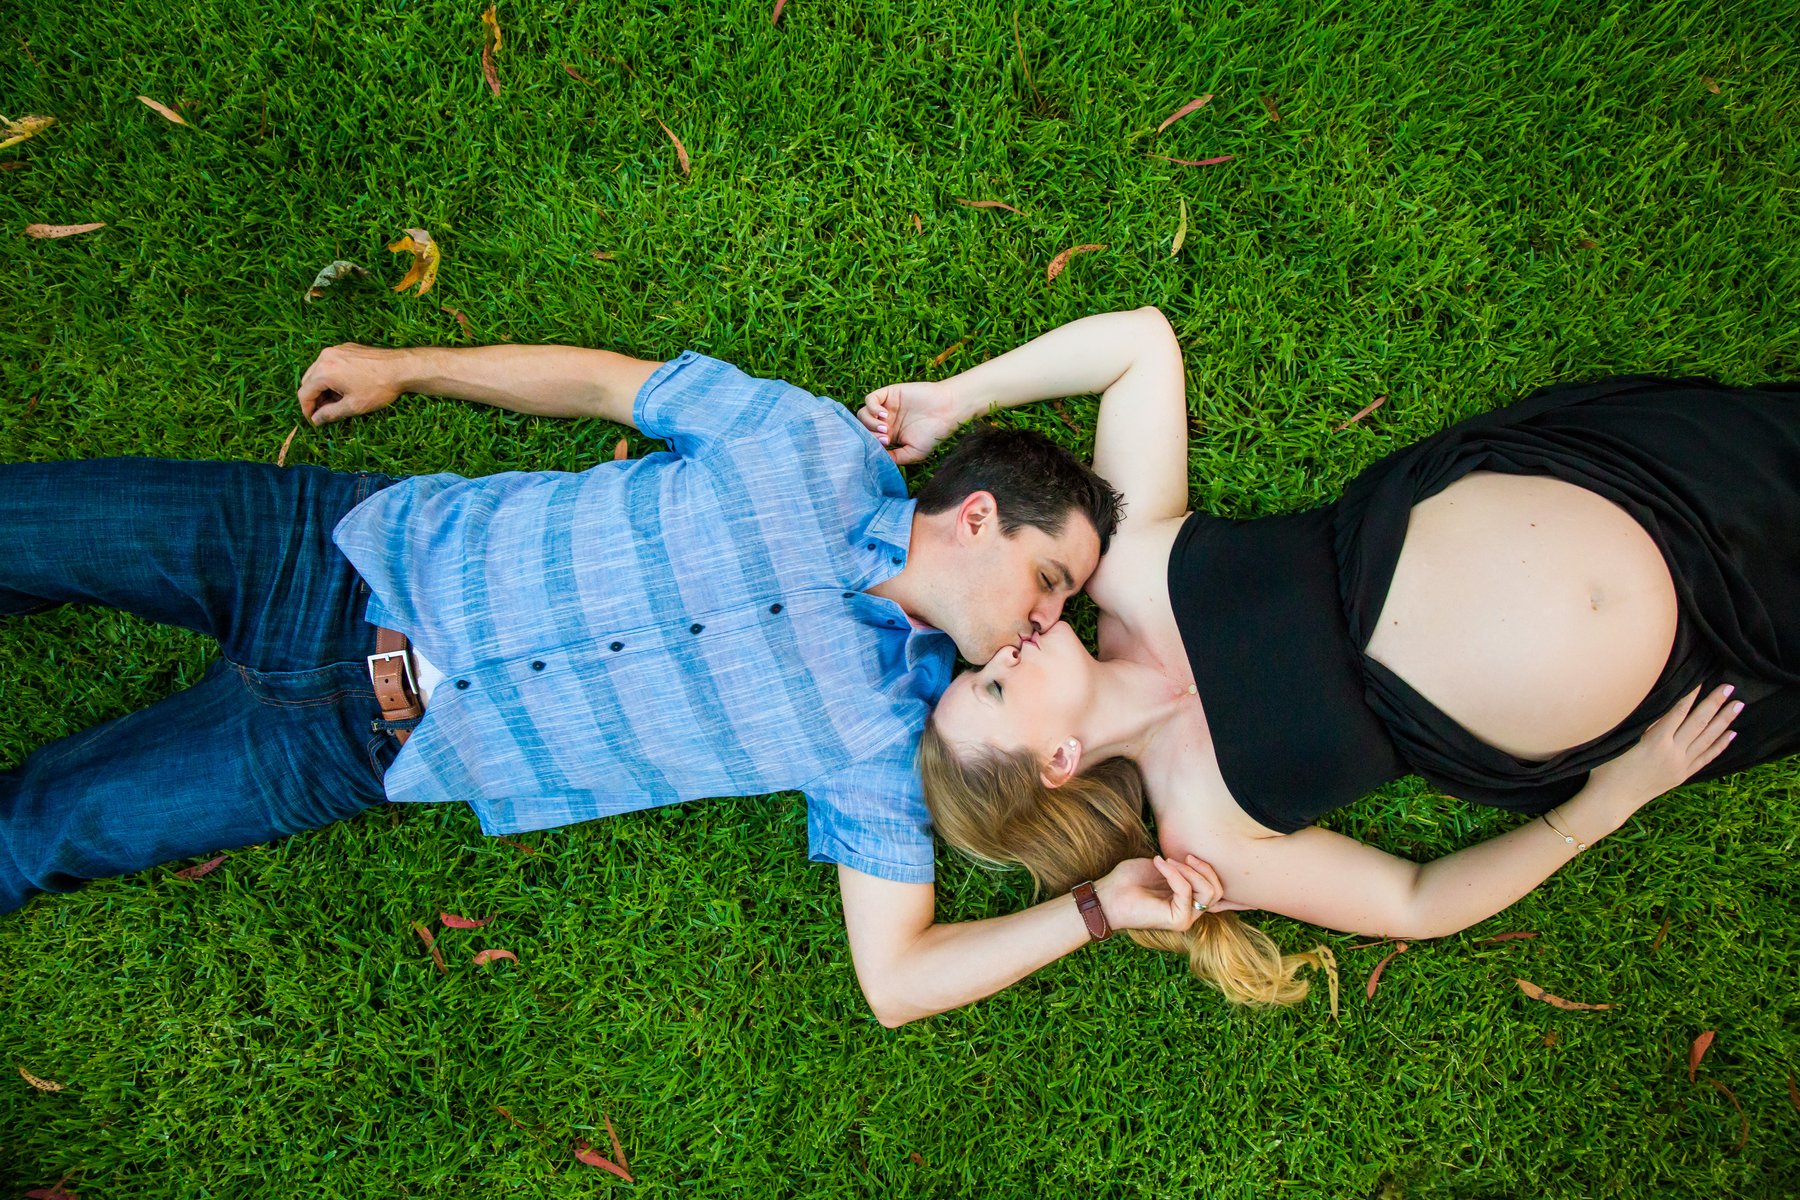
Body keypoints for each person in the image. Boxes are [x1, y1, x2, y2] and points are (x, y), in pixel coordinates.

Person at [1, 339, 1226, 1024]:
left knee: (35, 834)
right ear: (978, 515)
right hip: (326, 546)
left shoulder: (883, 737)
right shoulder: (806, 443)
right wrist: (406, 369)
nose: (1052, 623)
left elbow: (897, 983)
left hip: (346, 747)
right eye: (1052, 582)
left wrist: (1097, 910)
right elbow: (607, 386)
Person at [882, 307, 1793, 1009]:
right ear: (1059, 762)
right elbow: (1415, 903)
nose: (1001, 651)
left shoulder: (1128, 570)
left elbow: (1138, 347)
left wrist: (957, 399)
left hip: (1643, 481)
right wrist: (1611, 803)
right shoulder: (1205, 833)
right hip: (1695, 664)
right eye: (993, 690)